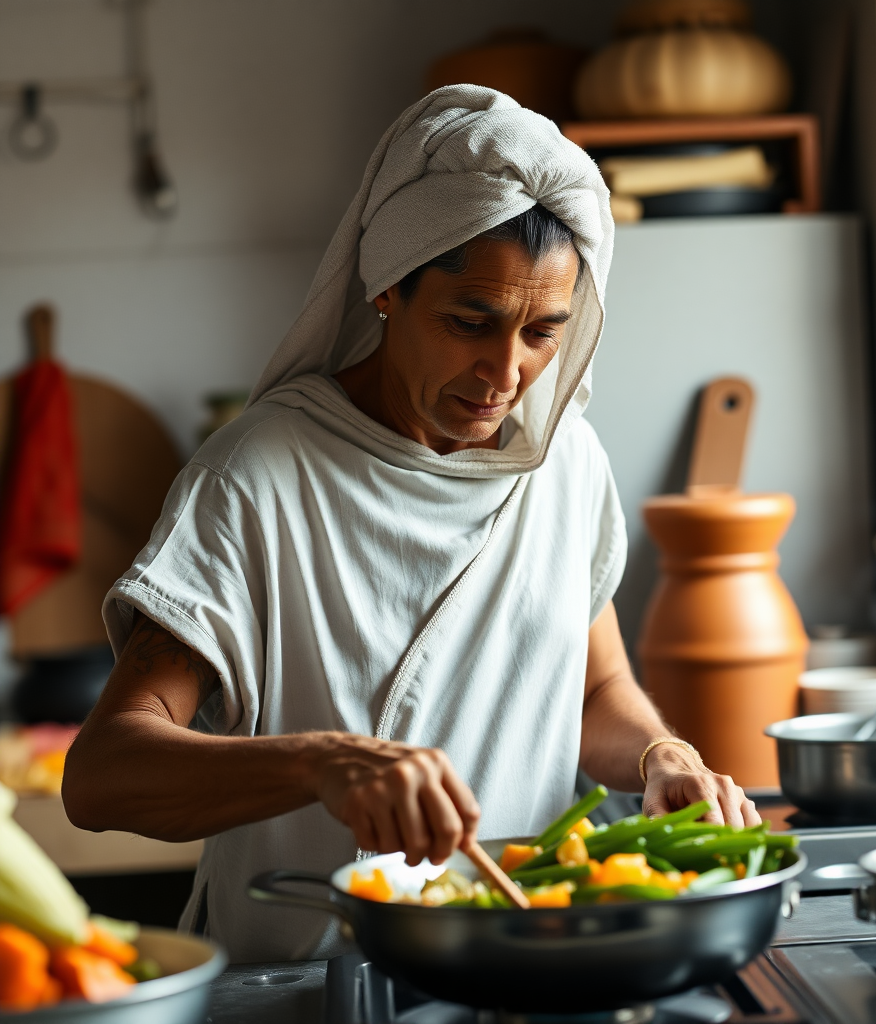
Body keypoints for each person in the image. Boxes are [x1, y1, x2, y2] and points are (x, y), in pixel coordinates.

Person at [63, 86, 760, 962]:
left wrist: (661, 752)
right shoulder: (259, 478)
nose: (507, 372)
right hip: (305, 986)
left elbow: (591, 694)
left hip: (517, 963)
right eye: (472, 322)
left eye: (545, 331)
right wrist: (322, 764)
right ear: (389, 288)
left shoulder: (564, 464)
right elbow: (103, 778)